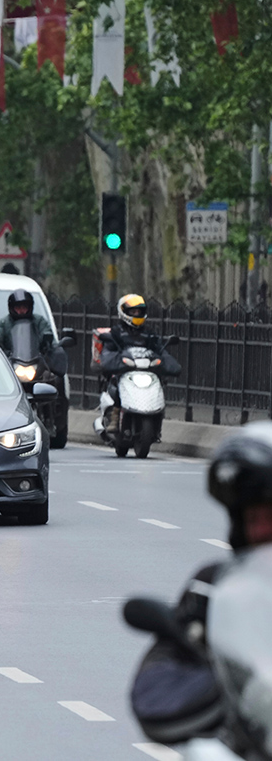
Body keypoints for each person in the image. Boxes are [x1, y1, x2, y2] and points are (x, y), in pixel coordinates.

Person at [129, 422, 272, 744]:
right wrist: (233, 689)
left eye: (271, 517)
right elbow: (158, 681)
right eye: (253, 519)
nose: (262, 531)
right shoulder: (215, 589)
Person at [98, 293, 180, 434]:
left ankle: (156, 416)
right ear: (123, 312)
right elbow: (107, 354)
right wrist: (116, 361)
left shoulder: (149, 334)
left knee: (160, 382)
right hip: (124, 371)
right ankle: (115, 415)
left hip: (145, 370)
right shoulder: (116, 333)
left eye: (139, 311)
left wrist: (171, 366)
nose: (136, 314)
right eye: (133, 311)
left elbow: (160, 351)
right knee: (114, 381)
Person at [0, 289, 68, 376]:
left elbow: (48, 336)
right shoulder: (3, 323)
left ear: (30, 307)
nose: (21, 311)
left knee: (51, 377)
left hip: (36, 363)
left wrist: (50, 346)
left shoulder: (39, 321)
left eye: (24, 307)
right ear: (11, 308)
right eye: (18, 308)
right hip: (10, 365)